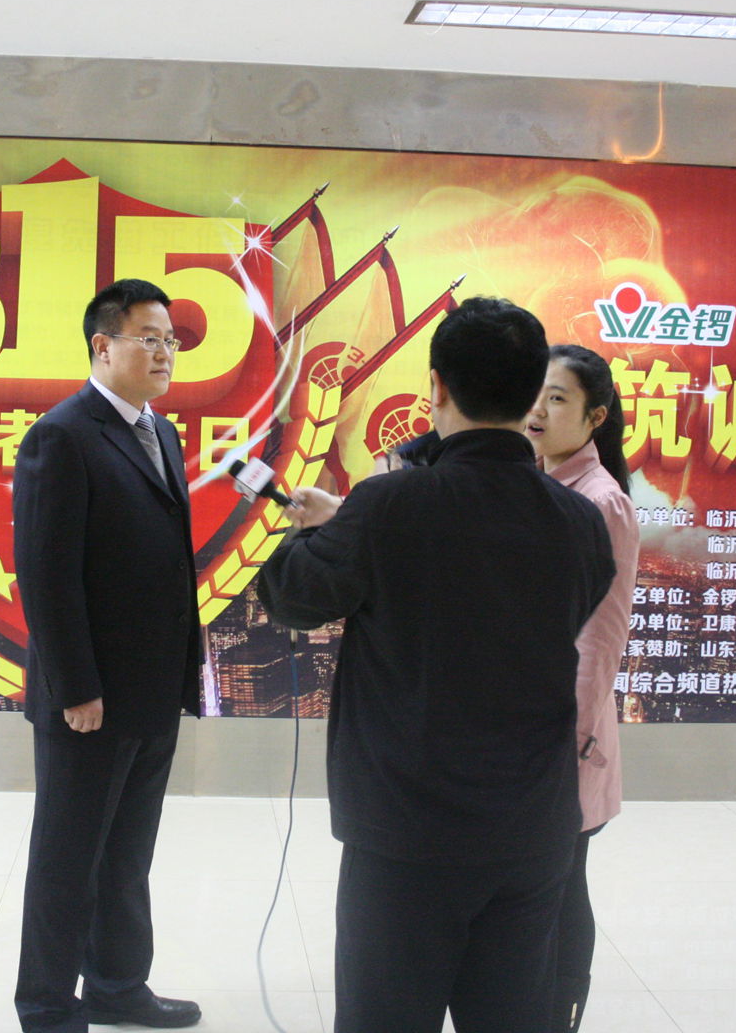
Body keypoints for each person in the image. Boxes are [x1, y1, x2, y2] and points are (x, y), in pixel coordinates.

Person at [256, 297, 616, 1033]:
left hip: (406, 833)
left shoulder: (389, 504)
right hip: (531, 828)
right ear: (530, 395)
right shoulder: (579, 521)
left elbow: (291, 596)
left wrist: (315, 531)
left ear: (437, 388)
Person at [12, 279, 203, 1032]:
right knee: (68, 860)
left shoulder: (162, 433)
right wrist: (76, 687)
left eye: (171, 340)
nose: (164, 353)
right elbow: (46, 574)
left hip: (152, 690)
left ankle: (118, 987)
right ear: (103, 345)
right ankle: (47, 1007)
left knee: (126, 854)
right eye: (149, 338)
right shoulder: (62, 435)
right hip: (90, 698)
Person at [525, 345, 640, 1033]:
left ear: (595, 417)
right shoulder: (540, 484)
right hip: (533, 733)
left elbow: (601, 638)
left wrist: (566, 741)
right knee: (536, 888)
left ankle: (561, 1013)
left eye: (559, 398)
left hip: (567, 737)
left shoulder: (602, 503)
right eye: (536, 393)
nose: (539, 409)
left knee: (564, 885)